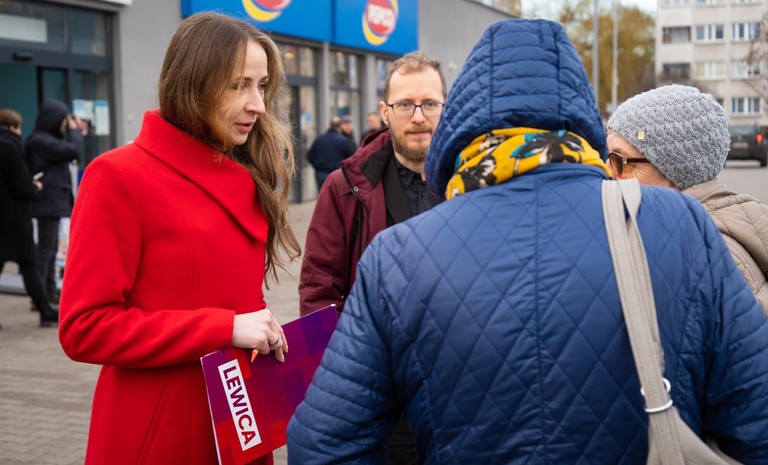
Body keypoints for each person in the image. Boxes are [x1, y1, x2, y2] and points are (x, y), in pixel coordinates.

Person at [287, 18, 768, 463]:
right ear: (581, 119)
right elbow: (756, 417)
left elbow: (322, 442)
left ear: (461, 123)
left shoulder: (397, 257)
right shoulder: (681, 225)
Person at [58, 12, 299, 465]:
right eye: (239, 86)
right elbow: (84, 327)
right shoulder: (118, 175)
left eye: (262, 86)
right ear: (194, 84)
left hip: (237, 418)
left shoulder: (246, 172)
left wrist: (260, 329)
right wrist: (224, 327)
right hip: (159, 431)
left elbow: (231, 298)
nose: (258, 105)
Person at [298, 50, 447, 464]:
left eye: (430, 104)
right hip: (381, 391)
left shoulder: (475, 181)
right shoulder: (344, 187)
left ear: (446, 108)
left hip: (459, 387)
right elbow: (319, 289)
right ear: (385, 112)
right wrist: (345, 380)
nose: (418, 117)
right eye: (405, 105)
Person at [606, 84, 768, 315]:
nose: (607, 171)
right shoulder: (688, 236)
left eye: (619, 160)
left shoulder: (708, 258)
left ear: (675, 171)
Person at [0, 109, 59, 327]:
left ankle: (45, 310)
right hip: (16, 220)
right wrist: (35, 187)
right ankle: (45, 311)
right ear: (13, 127)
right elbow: (22, 185)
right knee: (29, 265)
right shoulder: (10, 147)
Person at [25, 100, 86, 306]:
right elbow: (72, 151)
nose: (67, 123)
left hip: (52, 201)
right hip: (46, 202)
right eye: (65, 119)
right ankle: (39, 297)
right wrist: (74, 131)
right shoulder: (40, 140)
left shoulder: (46, 140)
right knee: (45, 251)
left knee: (50, 251)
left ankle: (48, 291)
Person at [306, 115, 356, 189]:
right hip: (337, 174)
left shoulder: (319, 139)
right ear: (340, 127)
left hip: (321, 173)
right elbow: (352, 157)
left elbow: (310, 156)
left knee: (323, 194)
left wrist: (318, 166)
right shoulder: (343, 141)